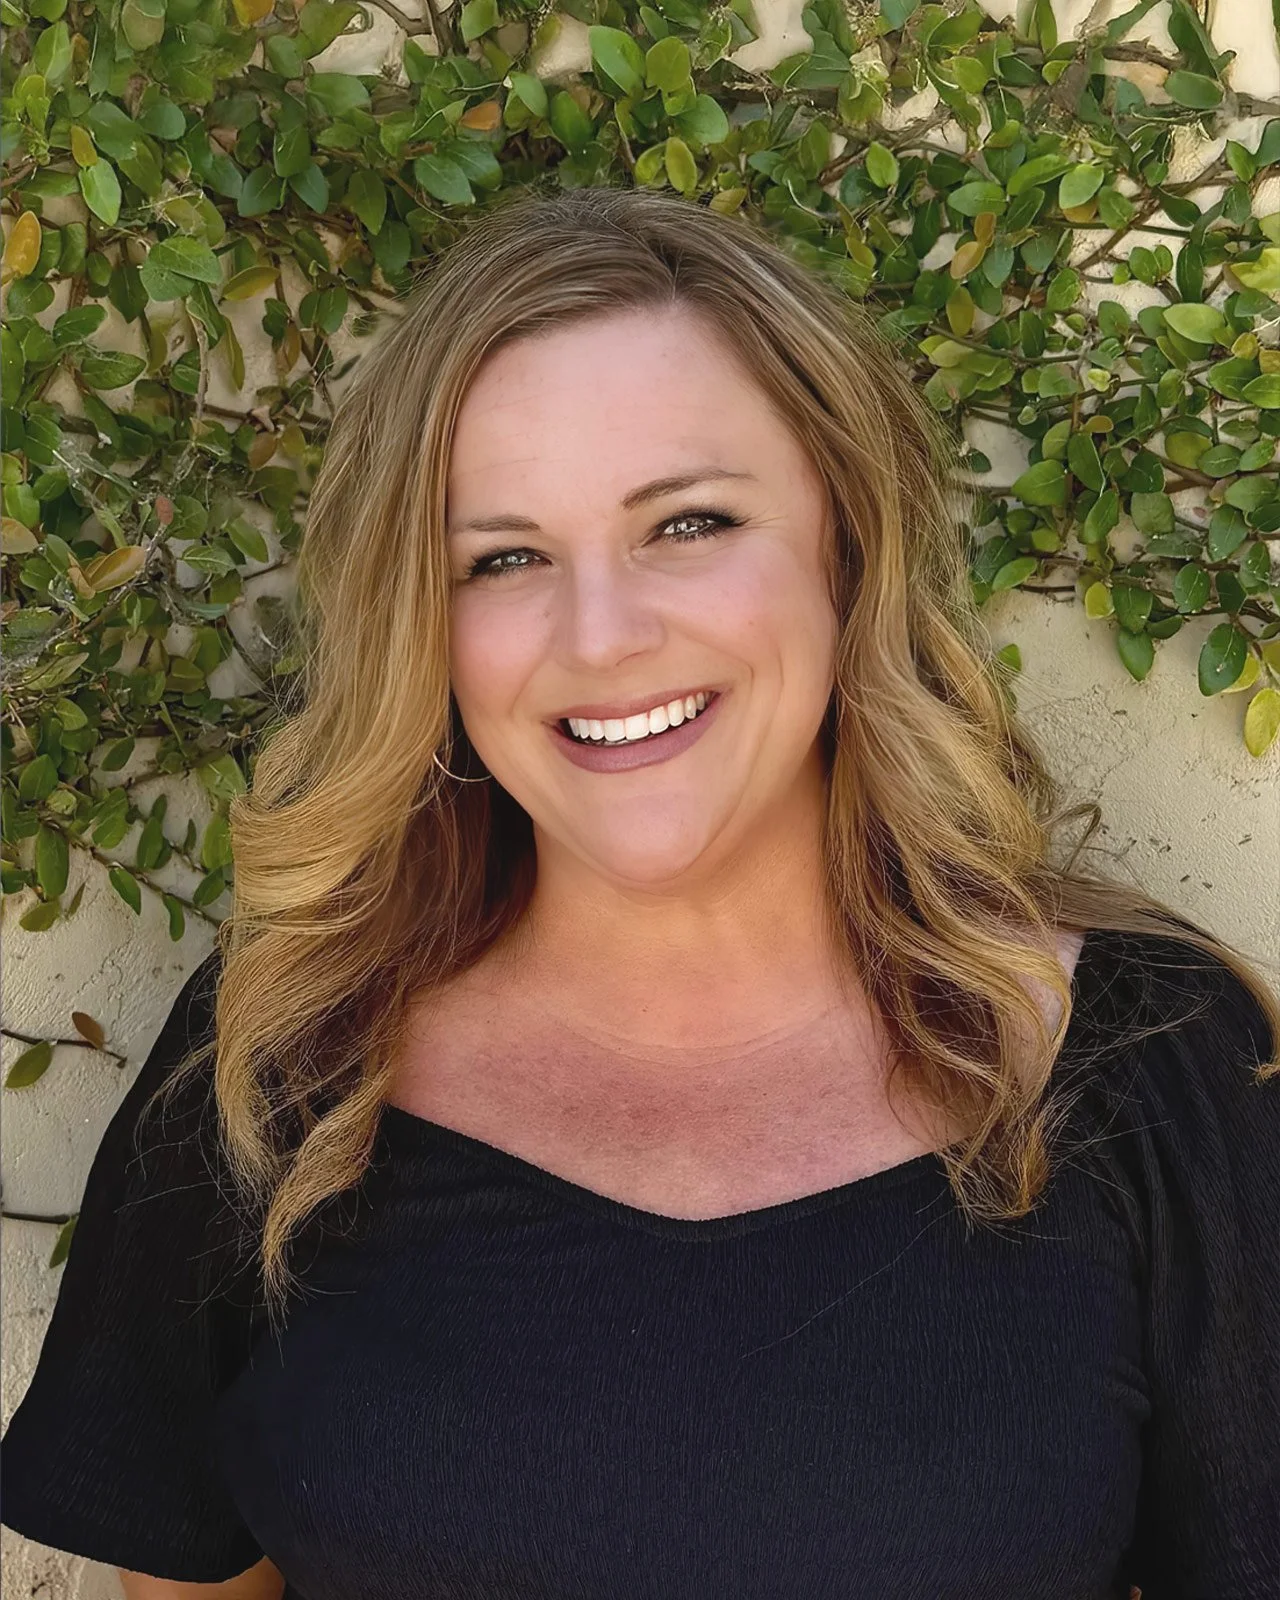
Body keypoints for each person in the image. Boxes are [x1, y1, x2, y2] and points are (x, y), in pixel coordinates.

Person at [3, 186, 1278, 1600]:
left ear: (847, 548)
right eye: (503, 558)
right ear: (426, 629)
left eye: (689, 524)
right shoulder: (280, 1059)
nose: (600, 635)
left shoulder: (1151, 1066)